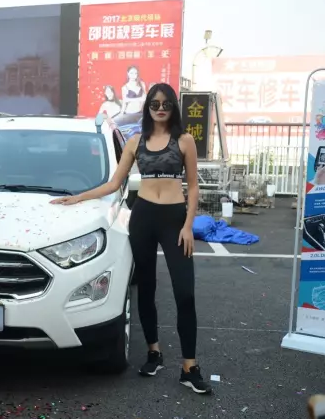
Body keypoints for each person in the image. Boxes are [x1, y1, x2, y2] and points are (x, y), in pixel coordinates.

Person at [51, 83, 212, 395]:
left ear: (173, 107)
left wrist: (188, 225)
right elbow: (114, 184)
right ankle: (154, 352)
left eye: (166, 104)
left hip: (175, 220)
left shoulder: (184, 140)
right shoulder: (136, 142)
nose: (160, 109)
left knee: (185, 293)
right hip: (144, 218)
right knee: (146, 288)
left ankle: (189, 367)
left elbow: (193, 186)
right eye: (155, 104)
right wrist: (77, 197)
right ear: (147, 107)